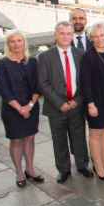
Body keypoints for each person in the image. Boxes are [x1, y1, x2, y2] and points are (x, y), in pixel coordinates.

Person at [37, 21, 93, 183]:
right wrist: (59, 103)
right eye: (62, 33)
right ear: (55, 35)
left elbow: (85, 81)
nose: (66, 37)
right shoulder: (45, 57)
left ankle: (82, 165)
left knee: (79, 137)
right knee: (59, 139)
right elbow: (43, 84)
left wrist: (78, 100)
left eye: (68, 34)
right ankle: (63, 169)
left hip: (76, 104)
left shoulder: (81, 54)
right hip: (56, 107)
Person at [0, 31, 43, 187]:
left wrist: (29, 105)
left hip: (31, 106)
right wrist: (20, 108)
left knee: (30, 138)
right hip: (11, 109)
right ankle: (19, 172)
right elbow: (3, 89)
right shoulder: (2, 63)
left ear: (24, 42)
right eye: (12, 41)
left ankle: (29, 169)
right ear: (8, 44)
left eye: (19, 41)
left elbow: (38, 86)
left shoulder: (33, 61)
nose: (16, 44)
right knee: (16, 140)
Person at [80, 23, 104, 181]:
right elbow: (85, 83)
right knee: (96, 134)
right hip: (95, 101)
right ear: (91, 38)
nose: (99, 39)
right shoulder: (87, 57)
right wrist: (90, 104)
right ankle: (97, 166)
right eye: (95, 36)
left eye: (102, 35)